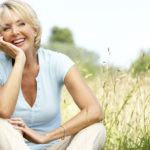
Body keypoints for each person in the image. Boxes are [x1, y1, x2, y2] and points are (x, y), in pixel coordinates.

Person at [0, 0, 106, 150]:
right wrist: (19, 60)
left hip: (53, 146)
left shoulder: (57, 61)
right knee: (0, 124)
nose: (15, 31)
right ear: (1, 38)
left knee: (96, 129)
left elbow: (94, 111)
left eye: (21, 24)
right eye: (6, 28)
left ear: (35, 29)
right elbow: (4, 111)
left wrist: (45, 137)